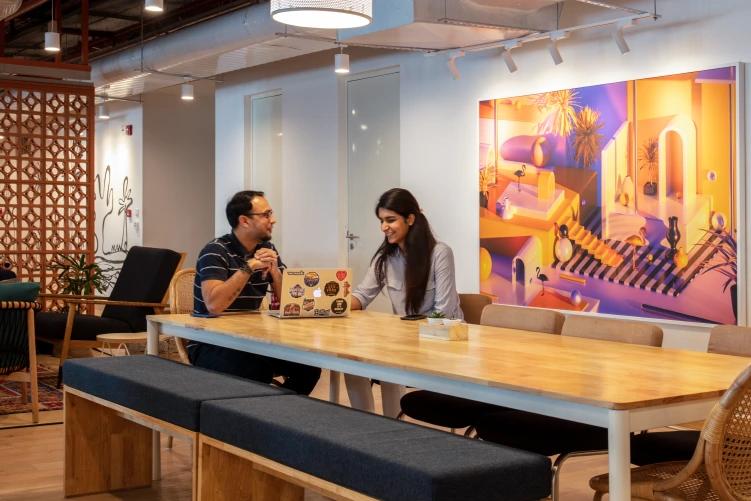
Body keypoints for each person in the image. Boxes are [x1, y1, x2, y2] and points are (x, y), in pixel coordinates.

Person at [189, 190, 321, 394]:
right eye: (266, 215)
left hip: (250, 340)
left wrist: (275, 272)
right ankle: (261, 409)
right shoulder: (215, 251)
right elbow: (214, 306)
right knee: (255, 369)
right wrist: (249, 267)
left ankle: (276, 409)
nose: (273, 220)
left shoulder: (267, 248)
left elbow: (290, 303)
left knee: (308, 367)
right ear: (244, 220)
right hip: (211, 342)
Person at [346, 188, 462, 417]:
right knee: (350, 360)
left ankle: (393, 423)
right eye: (381, 221)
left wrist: (404, 337)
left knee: (387, 355)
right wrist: (328, 303)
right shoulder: (385, 258)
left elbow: (443, 314)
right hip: (404, 342)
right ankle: (366, 422)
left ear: (410, 219)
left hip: (441, 343)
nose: (384, 227)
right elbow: (361, 296)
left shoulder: (440, 253)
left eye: (390, 220)